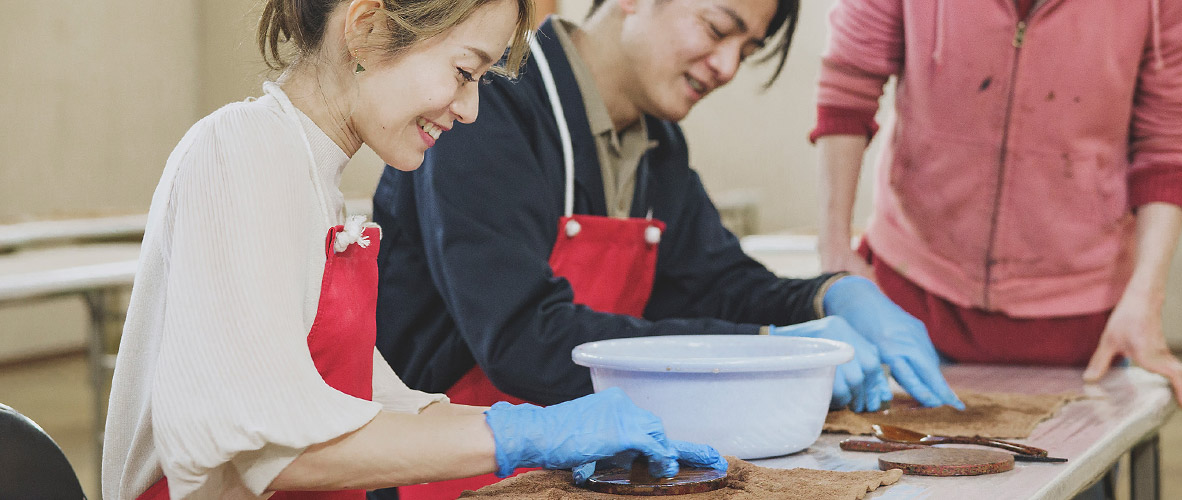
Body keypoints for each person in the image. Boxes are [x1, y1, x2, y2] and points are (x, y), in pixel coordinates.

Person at [100, 1, 725, 498]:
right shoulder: (239, 151)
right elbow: (264, 447)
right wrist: (524, 434)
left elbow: (372, 408)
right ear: (367, 30)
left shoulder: (315, 184)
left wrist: (572, 432)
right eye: (464, 72)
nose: (472, 108)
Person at [371, 0, 963, 496]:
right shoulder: (486, 104)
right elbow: (524, 336)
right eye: (717, 28)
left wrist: (830, 295)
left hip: (572, 480)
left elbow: (719, 282)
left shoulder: (658, 146)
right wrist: (756, 352)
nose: (728, 65)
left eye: (748, 50)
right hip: (453, 478)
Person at [811, 0, 1182, 422]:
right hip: (909, 306)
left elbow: (1170, 142)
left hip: (1078, 329)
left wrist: (1145, 297)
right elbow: (848, 87)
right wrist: (835, 251)